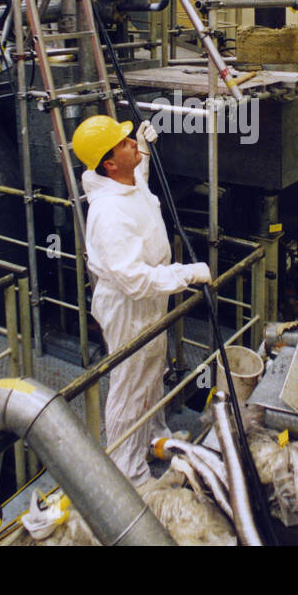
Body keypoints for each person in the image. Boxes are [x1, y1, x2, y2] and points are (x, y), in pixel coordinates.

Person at [73, 114, 211, 485]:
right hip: (129, 307)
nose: (131, 141)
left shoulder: (126, 184)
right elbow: (134, 280)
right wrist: (187, 274)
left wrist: (144, 151)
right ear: (109, 163)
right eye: (124, 142)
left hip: (150, 304)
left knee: (152, 375)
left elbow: (141, 189)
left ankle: (153, 439)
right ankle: (127, 471)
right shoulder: (107, 213)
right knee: (130, 386)